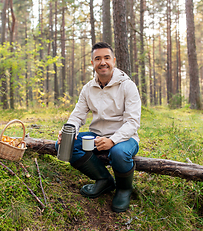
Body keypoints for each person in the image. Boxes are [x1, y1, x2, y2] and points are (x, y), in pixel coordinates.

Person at [56, 42, 141, 213]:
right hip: (96, 136)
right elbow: (77, 115)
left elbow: (132, 122)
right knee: (63, 145)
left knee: (118, 152)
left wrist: (112, 140)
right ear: (92, 63)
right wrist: (69, 130)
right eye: (98, 58)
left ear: (114, 61)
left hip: (125, 138)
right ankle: (104, 180)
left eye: (106, 58)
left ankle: (124, 189)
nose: (103, 62)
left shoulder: (127, 85)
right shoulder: (88, 88)